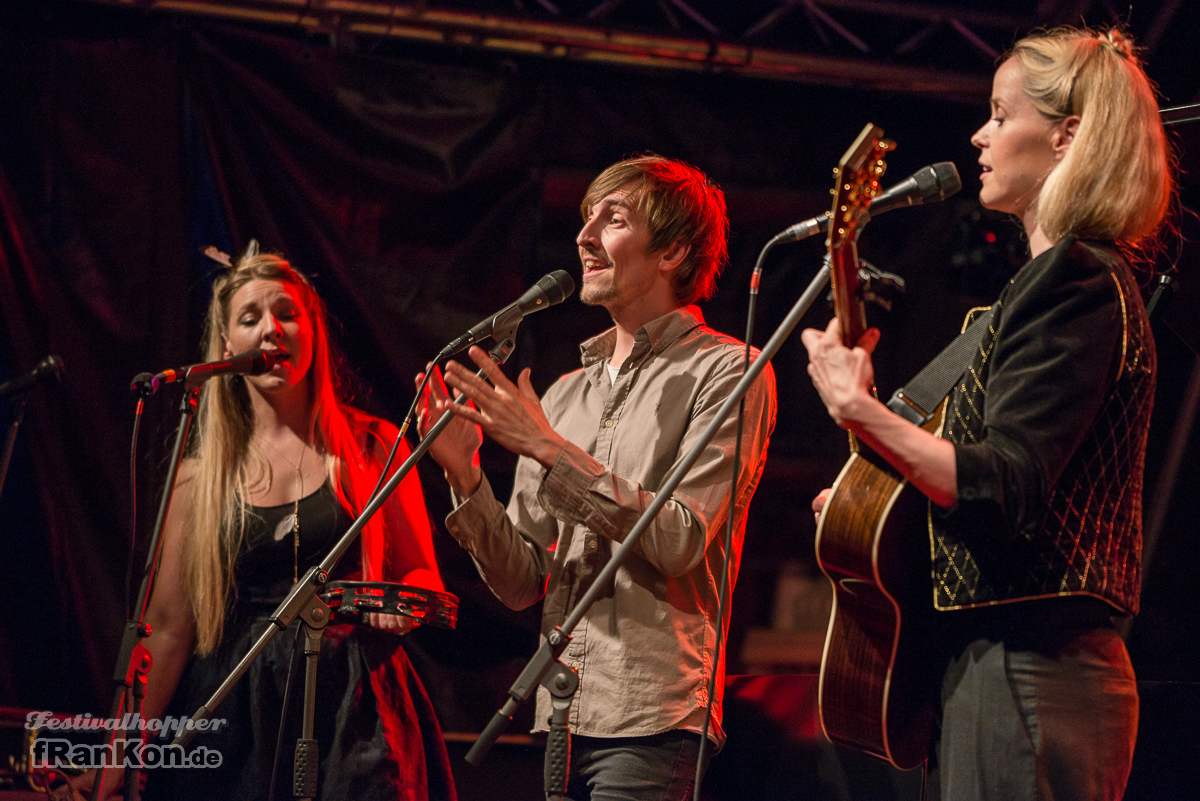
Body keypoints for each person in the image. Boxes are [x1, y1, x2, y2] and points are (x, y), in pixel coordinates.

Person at [801, 26, 1173, 801]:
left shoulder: (1073, 279)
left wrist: (860, 411)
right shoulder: (1035, 290)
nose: (981, 133)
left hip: (1031, 666)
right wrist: (872, 496)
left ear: (1068, 136)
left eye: (1001, 115)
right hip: (998, 664)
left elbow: (1002, 484)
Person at [418, 155, 777, 800]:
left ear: (671, 251)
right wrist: (465, 475)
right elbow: (523, 584)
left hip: (651, 715)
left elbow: (679, 539)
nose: (583, 237)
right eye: (586, 218)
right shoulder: (562, 394)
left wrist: (549, 451)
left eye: (612, 219)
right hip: (557, 713)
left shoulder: (729, 370)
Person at [83, 242, 457, 800]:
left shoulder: (373, 445)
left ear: (313, 333)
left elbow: (422, 573)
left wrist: (398, 606)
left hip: (354, 702)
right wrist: (117, 762)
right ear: (227, 344)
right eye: (250, 318)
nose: (270, 330)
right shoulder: (198, 479)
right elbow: (167, 631)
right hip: (237, 706)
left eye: (287, 314)